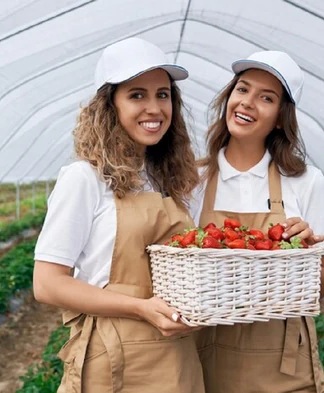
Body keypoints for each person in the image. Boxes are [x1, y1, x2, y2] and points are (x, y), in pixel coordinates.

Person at [32, 37, 205, 393]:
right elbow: (47, 283)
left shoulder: (169, 179)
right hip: (114, 357)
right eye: (137, 95)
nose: (155, 107)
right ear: (109, 105)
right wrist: (142, 309)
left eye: (163, 94)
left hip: (177, 356)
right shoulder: (85, 178)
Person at [190, 50, 324, 393]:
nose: (248, 102)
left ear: (282, 118)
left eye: (266, 98)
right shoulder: (192, 180)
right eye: (242, 89)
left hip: (279, 361)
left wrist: (306, 256)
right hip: (205, 352)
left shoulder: (305, 181)